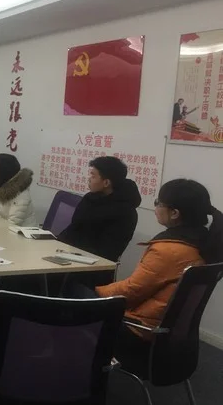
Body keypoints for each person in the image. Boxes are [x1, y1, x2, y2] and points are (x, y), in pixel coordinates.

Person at [95, 179, 223, 368]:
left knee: (76, 296)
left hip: (139, 333)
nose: (155, 207)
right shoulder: (206, 243)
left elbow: (130, 292)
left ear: (175, 213)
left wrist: (96, 291)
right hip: (169, 337)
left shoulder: (170, 251)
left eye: (158, 202)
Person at [58, 156, 141, 262]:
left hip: (92, 264)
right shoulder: (90, 198)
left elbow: (107, 252)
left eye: (93, 176)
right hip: (68, 254)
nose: (89, 179)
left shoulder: (126, 213)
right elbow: (73, 228)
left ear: (106, 183)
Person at [0, 154, 36, 226]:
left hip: (22, 231)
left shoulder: (20, 194)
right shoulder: (1, 188)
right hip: (5, 229)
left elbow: (13, 223)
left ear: (2, 170)